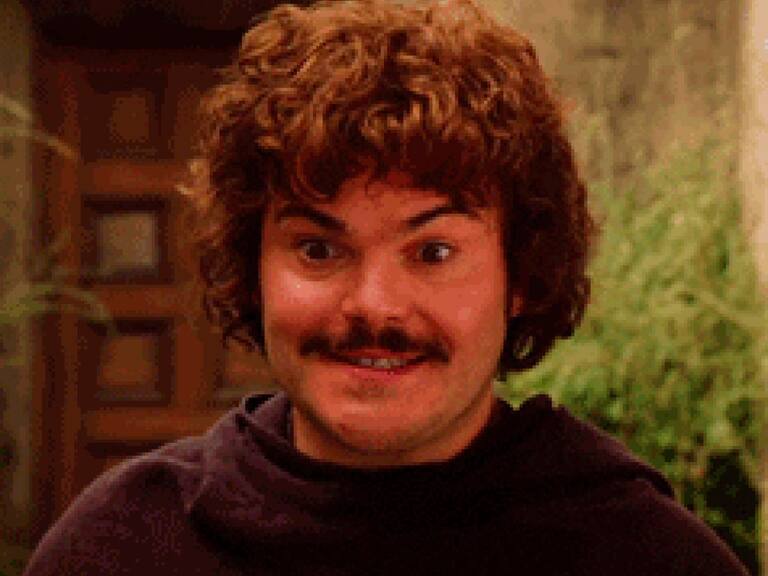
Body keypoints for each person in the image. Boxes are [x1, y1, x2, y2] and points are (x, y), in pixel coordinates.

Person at [24, 0, 749, 574]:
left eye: (433, 252)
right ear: (253, 269)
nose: (373, 304)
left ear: (523, 276)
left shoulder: (642, 555)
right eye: (318, 249)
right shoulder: (122, 547)